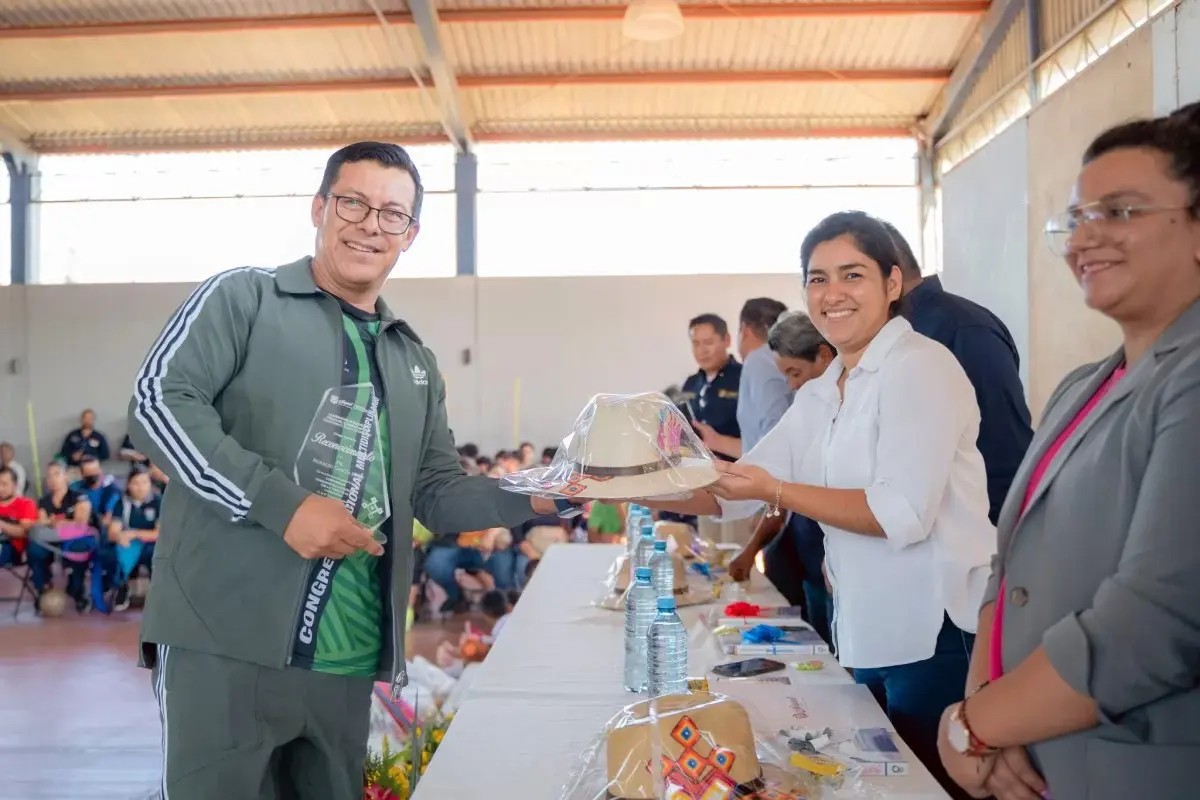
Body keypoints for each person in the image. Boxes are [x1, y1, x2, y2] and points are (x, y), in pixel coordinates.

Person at [125, 141, 561, 800]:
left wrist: (550, 494)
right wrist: (284, 507)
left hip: (349, 657)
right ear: (320, 208)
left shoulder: (414, 361)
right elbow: (158, 404)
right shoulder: (245, 298)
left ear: (410, 235)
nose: (369, 224)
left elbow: (437, 494)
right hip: (225, 640)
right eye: (353, 202)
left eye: (392, 214)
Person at [643, 211, 996, 798]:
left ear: (891, 283)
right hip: (863, 628)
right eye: (816, 278)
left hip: (933, 632)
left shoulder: (921, 368)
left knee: (930, 789)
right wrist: (612, 485)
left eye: (851, 275)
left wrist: (771, 492)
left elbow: (898, 513)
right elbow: (735, 486)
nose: (832, 293)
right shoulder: (823, 391)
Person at [938, 104, 1200, 800]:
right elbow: (1008, 569)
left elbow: (1157, 621)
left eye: (1119, 212)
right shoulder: (1081, 387)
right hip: (1036, 763)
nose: (1085, 237)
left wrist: (975, 726)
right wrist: (979, 714)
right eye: (1076, 218)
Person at [879, 218, 1034, 524]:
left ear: (891, 276)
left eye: (852, 276)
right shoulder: (897, 333)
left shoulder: (961, 330)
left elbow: (1002, 448)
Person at [727, 311, 836, 644]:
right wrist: (752, 548)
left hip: (835, 569)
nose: (791, 385)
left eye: (795, 373)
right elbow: (779, 492)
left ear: (824, 355)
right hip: (810, 563)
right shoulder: (807, 411)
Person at [733, 297, 792, 454]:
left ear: (745, 330)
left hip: (769, 471)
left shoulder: (758, 361)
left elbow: (771, 429)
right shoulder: (783, 356)